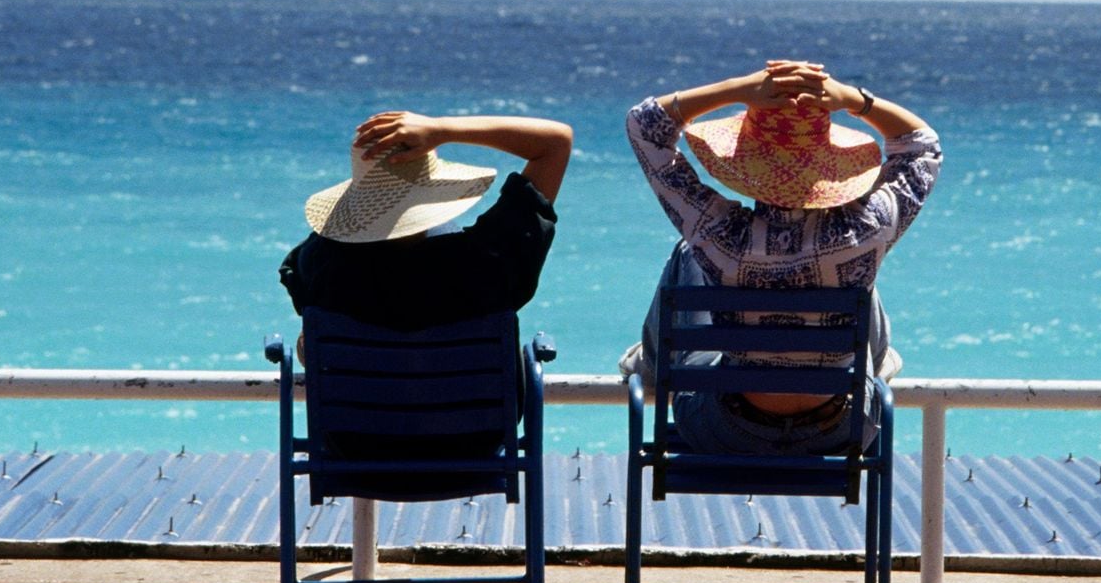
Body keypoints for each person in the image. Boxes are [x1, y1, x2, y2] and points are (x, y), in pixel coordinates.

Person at [622, 60, 941, 454]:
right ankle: (873, 363)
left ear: (744, 165)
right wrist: (853, 99)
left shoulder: (719, 233)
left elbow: (644, 125)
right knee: (860, 275)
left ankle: (649, 368)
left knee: (689, 250)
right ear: (831, 168)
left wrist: (741, 87)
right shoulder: (865, 229)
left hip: (726, 430)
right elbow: (921, 144)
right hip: (843, 428)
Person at [279, 110, 572, 456]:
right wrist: (441, 129)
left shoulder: (319, 264)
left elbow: (308, 331)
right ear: (432, 196)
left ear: (359, 203)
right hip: (472, 448)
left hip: (356, 449)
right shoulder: (492, 260)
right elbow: (555, 143)